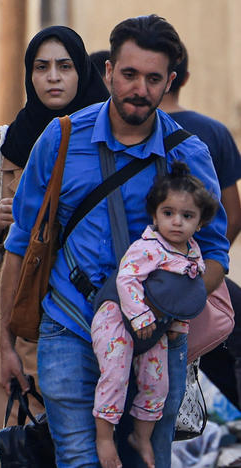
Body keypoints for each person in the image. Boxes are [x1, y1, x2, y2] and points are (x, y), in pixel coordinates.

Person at [0, 14, 229, 467]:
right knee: (80, 458)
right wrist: (6, 346)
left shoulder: (188, 154)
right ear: (107, 73)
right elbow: (21, 245)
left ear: (170, 82)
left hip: (156, 341)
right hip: (69, 325)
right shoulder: (61, 139)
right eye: (128, 74)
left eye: (152, 78)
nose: (139, 88)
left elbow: (218, 255)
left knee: (146, 458)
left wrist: (168, 305)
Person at [0, 26, 109, 468]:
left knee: (77, 453)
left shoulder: (107, 145)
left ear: (84, 73)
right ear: (29, 76)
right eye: (41, 68)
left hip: (85, 320)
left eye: (65, 66)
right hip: (7, 321)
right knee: (15, 453)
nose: (53, 78)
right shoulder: (4, 146)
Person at [92, 162, 218, 468]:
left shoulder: (192, 254)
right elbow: (127, 279)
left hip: (157, 328)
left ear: (199, 223)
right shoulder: (148, 247)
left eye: (187, 216)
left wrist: (178, 326)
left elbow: (183, 296)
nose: (176, 222)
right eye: (168, 213)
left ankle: (141, 436)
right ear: (155, 215)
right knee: (116, 375)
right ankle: (104, 438)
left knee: (157, 385)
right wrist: (138, 315)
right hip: (118, 319)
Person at [158, 43, 241, 406]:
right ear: (183, 79)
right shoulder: (214, 131)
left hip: (146, 285)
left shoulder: (133, 133)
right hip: (204, 283)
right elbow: (234, 211)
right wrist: (207, 265)